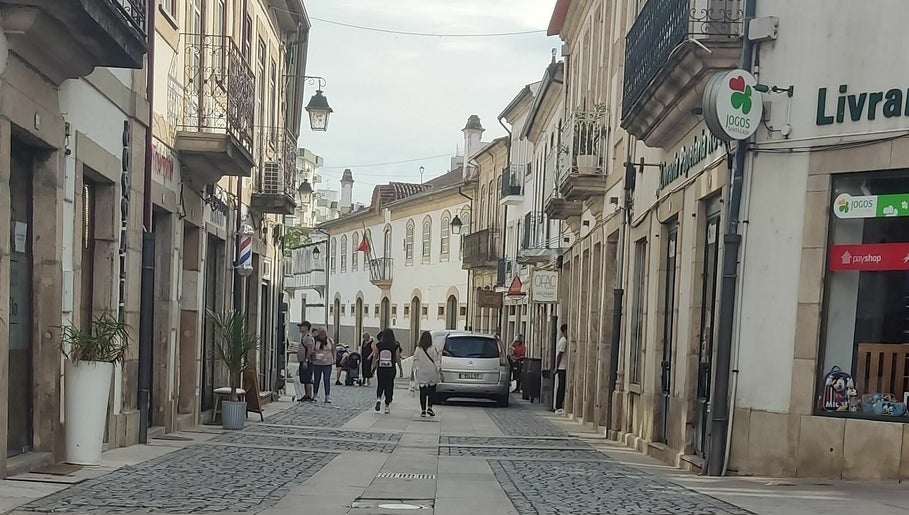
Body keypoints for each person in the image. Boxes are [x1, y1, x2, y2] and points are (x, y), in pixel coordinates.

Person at [371, 328, 403, 414]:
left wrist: (373, 367)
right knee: (389, 385)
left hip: (381, 368)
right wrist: (401, 369)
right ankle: (387, 405)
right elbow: (397, 358)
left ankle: (378, 399)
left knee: (380, 384)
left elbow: (375, 356)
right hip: (390, 368)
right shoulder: (395, 345)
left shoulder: (379, 345)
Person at [413, 331, 441, 417]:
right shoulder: (433, 348)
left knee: (423, 392)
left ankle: (423, 410)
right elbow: (437, 361)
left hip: (422, 372)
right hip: (432, 372)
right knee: (432, 391)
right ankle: (430, 407)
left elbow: (415, 361)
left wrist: (415, 371)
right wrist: (439, 371)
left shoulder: (418, 349)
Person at [311, 327, 335, 403]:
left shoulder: (330, 340)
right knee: (317, 379)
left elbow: (333, 350)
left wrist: (334, 359)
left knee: (326, 379)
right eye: (321, 333)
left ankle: (327, 396)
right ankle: (315, 394)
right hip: (317, 363)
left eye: (324, 333)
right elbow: (312, 350)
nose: (322, 335)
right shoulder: (315, 340)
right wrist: (316, 355)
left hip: (328, 363)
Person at [296, 321, 315, 402]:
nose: (300, 328)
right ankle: (306, 394)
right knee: (304, 378)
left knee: (307, 378)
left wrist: (306, 360)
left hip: (306, 361)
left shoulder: (308, 338)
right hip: (302, 361)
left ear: (306, 328)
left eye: (302, 326)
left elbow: (309, 349)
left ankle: (309, 395)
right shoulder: (303, 337)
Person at [555, 324, 568, 415]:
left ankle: (559, 405)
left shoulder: (562, 340)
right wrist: (557, 367)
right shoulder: (564, 341)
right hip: (562, 367)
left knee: (561, 386)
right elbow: (559, 355)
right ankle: (558, 406)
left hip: (562, 367)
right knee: (561, 387)